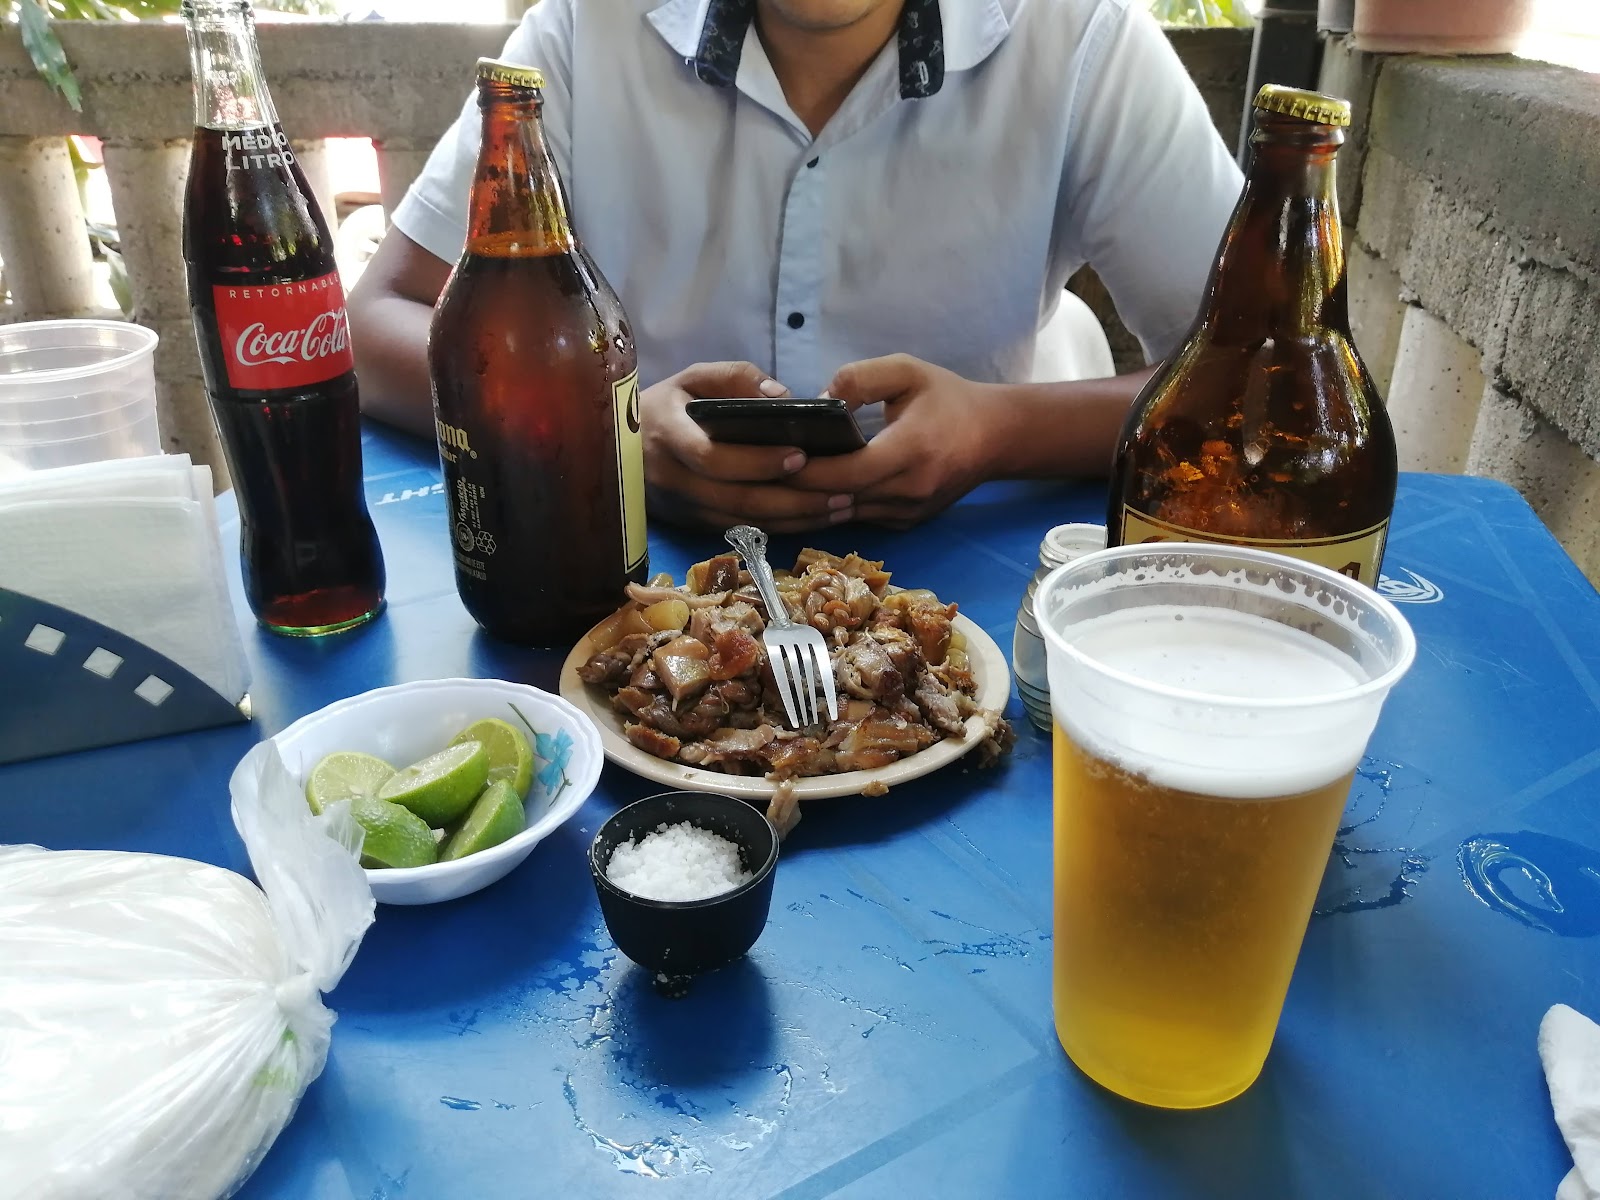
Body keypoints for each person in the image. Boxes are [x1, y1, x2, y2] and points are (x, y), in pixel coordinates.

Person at [350, 0, 1242, 532]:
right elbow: (375, 322)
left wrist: (1000, 433)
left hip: (976, 560)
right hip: (635, 563)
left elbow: (1267, 380)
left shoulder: (1082, 37)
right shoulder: (585, 30)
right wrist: (606, 433)